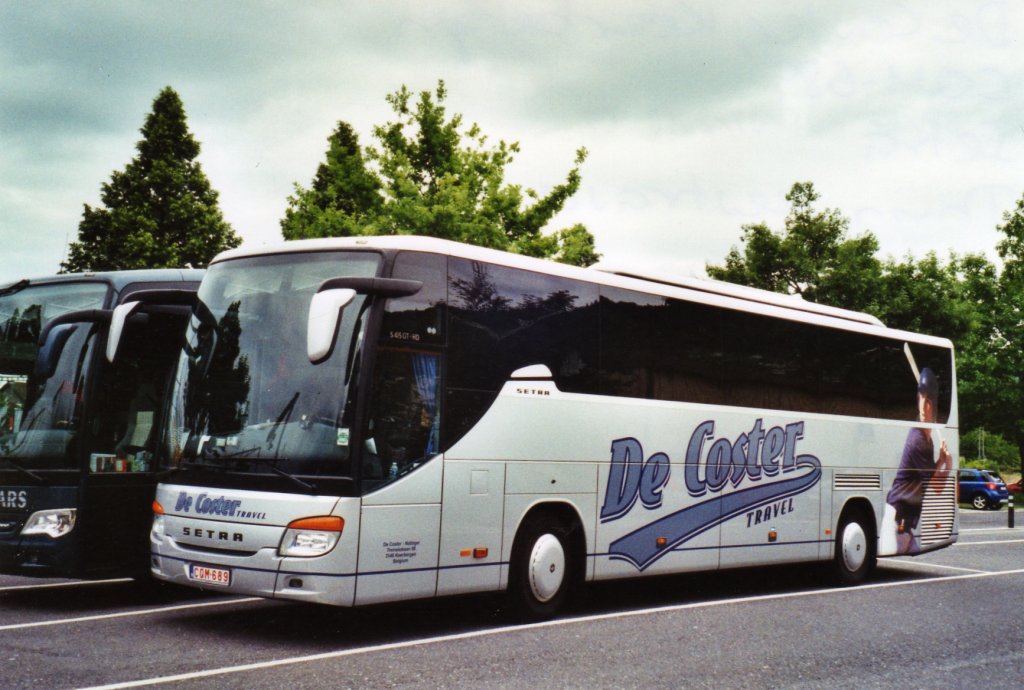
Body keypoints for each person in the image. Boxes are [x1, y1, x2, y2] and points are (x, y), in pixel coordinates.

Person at [884, 367, 952, 555]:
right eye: (920, 398)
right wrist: (948, 465)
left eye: (928, 400)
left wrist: (941, 462)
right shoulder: (918, 440)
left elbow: (930, 478)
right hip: (897, 524)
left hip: (904, 527)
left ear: (934, 405)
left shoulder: (926, 439)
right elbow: (936, 487)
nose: (923, 407)